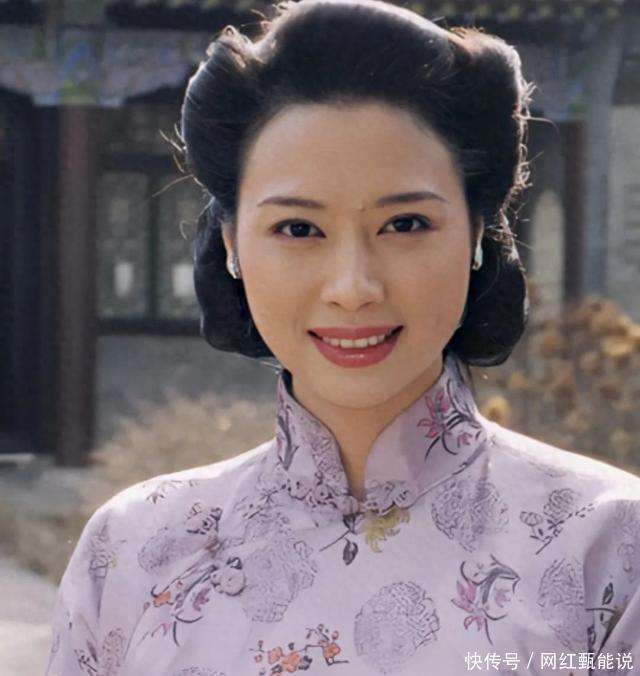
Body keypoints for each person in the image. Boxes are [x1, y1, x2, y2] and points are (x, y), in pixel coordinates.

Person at [46, 1, 640, 674]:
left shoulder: (607, 549)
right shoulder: (132, 552)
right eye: (298, 229)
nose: (353, 287)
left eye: (405, 224)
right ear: (233, 244)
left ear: (477, 233)